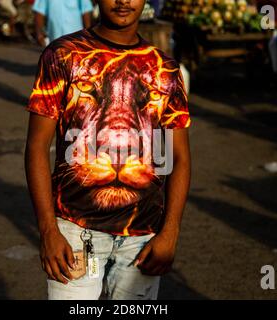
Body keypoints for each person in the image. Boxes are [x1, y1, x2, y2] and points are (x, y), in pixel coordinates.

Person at [25, 0, 192, 300]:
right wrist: (49, 230)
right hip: (74, 229)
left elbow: (179, 157)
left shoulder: (166, 70)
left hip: (142, 236)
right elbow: (37, 146)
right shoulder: (62, 55)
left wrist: (170, 232)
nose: (123, 1)